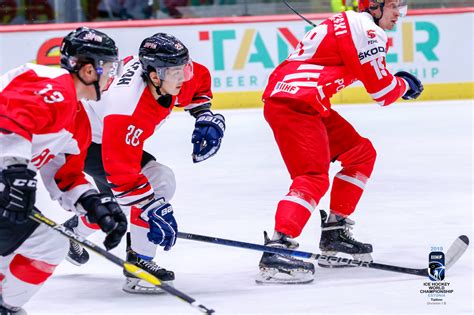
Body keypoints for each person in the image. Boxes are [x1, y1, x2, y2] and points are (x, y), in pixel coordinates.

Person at [257, 0, 423, 284]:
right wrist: (405, 84)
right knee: (312, 177)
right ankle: (278, 248)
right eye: (394, 6)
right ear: (374, 7)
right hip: (295, 104)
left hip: (306, 101)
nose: (399, 13)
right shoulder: (369, 31)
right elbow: (382, 92)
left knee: (361, 154)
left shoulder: (350, 23)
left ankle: (334, 234)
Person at [62, 32, 226, 294]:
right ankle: (139, 265)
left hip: (105, 135)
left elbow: (199, 81)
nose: (184, 77)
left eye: (185, 67)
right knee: (157, 183)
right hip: (88, 142)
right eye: (175, 72)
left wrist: (203, 114)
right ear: (153, 75)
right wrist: (151, 207)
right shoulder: (126, 108)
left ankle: (72, 231)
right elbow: (121, 174)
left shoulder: (173, 72)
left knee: (119, 204)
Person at [0, 27, 127, 314]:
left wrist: (95, 205)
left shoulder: (77, 119)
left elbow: (65, 176)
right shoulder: (52, 85)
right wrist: (16, 171)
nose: (112, 76)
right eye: (108, 67)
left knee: (50, 242)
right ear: (88, 70)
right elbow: (10, 117)